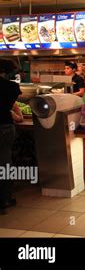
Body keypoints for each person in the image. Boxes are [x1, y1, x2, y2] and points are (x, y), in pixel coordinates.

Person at [0, 59, 22, 214]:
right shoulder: (12, 87)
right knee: (4, 163)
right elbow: (11, 106)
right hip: (4, 127)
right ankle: (5, 198)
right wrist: (17, 113)